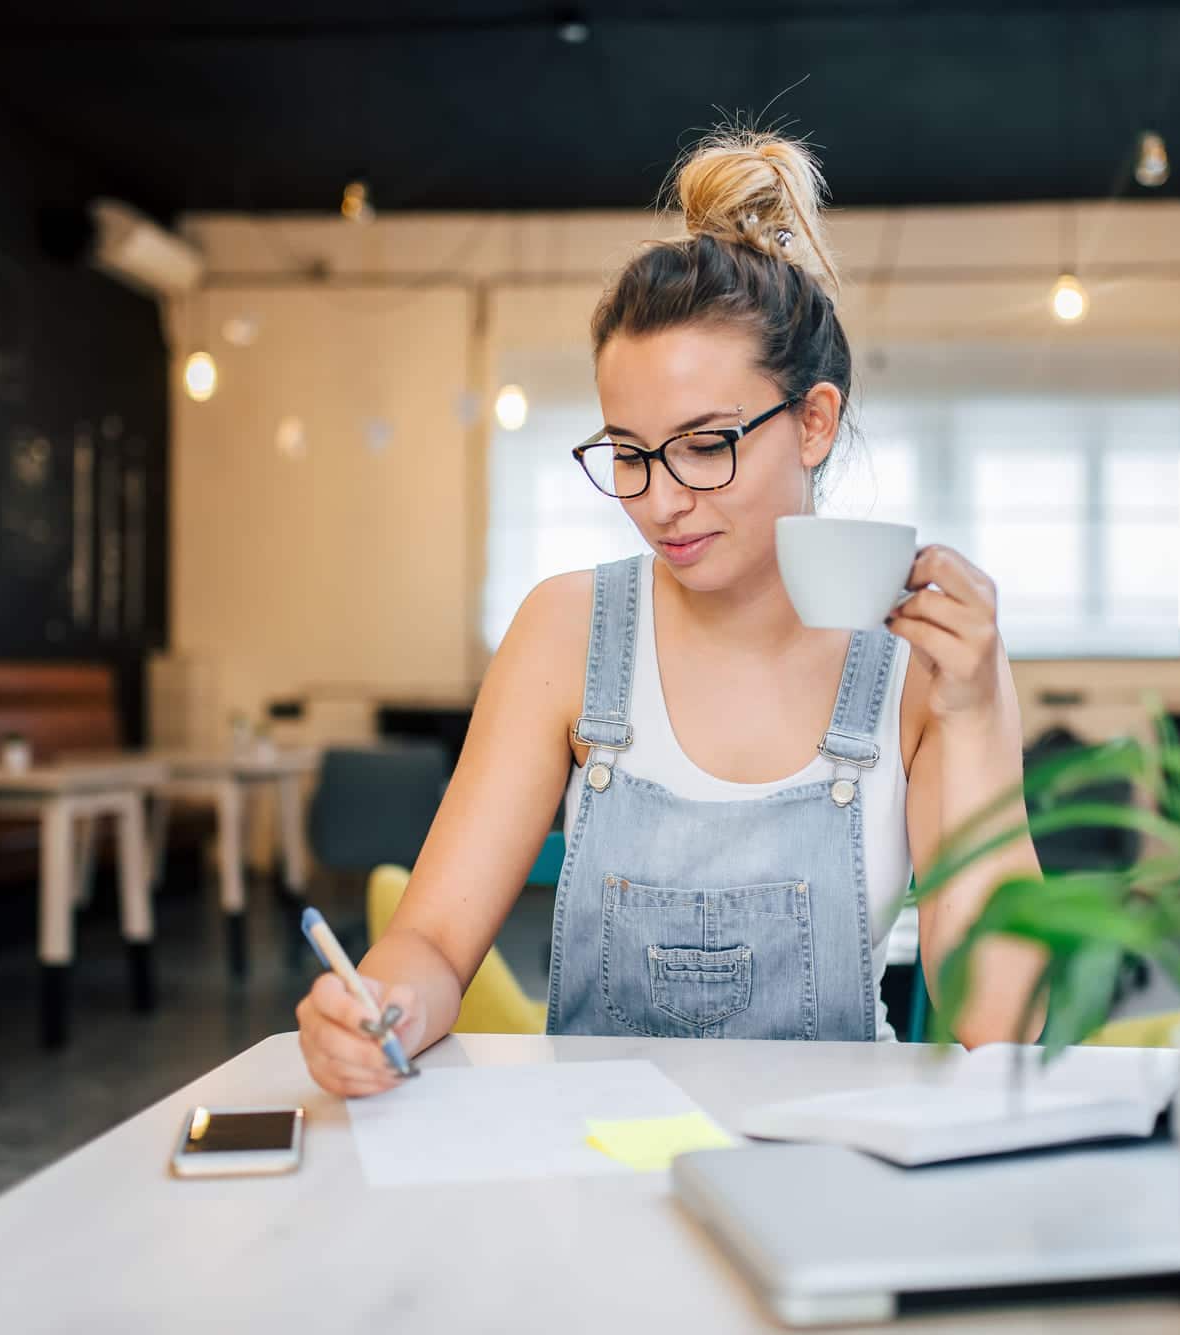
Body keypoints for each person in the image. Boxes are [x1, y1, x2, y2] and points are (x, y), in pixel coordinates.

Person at [300, 129, 1043, 1098]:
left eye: (703, 446)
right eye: (629, 453)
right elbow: (433, 943)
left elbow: (1003, 1019)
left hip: (828, 1174)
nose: (660, 499)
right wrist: (379, 1005)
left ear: (812, 422)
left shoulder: (920, 664)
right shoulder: (566, 636)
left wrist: (977, 716)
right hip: (600, 1173)